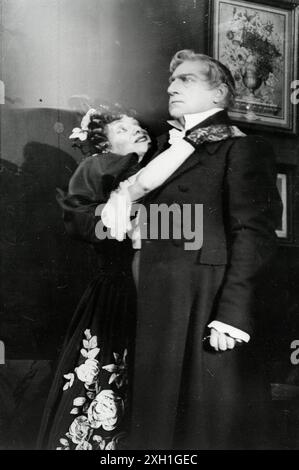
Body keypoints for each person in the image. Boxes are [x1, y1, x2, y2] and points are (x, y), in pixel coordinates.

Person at [105, 50, 283, 449]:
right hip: (159, 303)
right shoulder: (164, 150)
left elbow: (255, 235)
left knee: (207, 428)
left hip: (207, 303)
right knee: (159, 428)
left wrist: (233, 314)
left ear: (219, 93)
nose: (171, 87)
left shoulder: (242, 148)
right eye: (172, 81)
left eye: (186, 80)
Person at [37, 106, 198, 451]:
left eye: (137, 126)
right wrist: (128, 217)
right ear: (104, 145)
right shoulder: (94, 168)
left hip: (170, 291)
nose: (136, 130)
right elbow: (80, 221)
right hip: (119, 293)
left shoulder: (174, 163)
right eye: (123, 130)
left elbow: (194, 227)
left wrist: (149, 221)